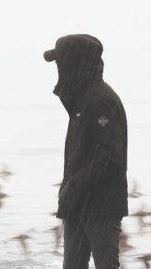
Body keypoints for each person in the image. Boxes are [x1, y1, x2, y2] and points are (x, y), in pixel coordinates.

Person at [44, 34, 129, 269]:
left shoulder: (102, 101)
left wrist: (73, 185)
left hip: (101, 206)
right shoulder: (80, 100)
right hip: (77, 203)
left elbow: (109, 158)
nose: (59, 70)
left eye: (61, 63)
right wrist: (69, 190)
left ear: (76, 63)